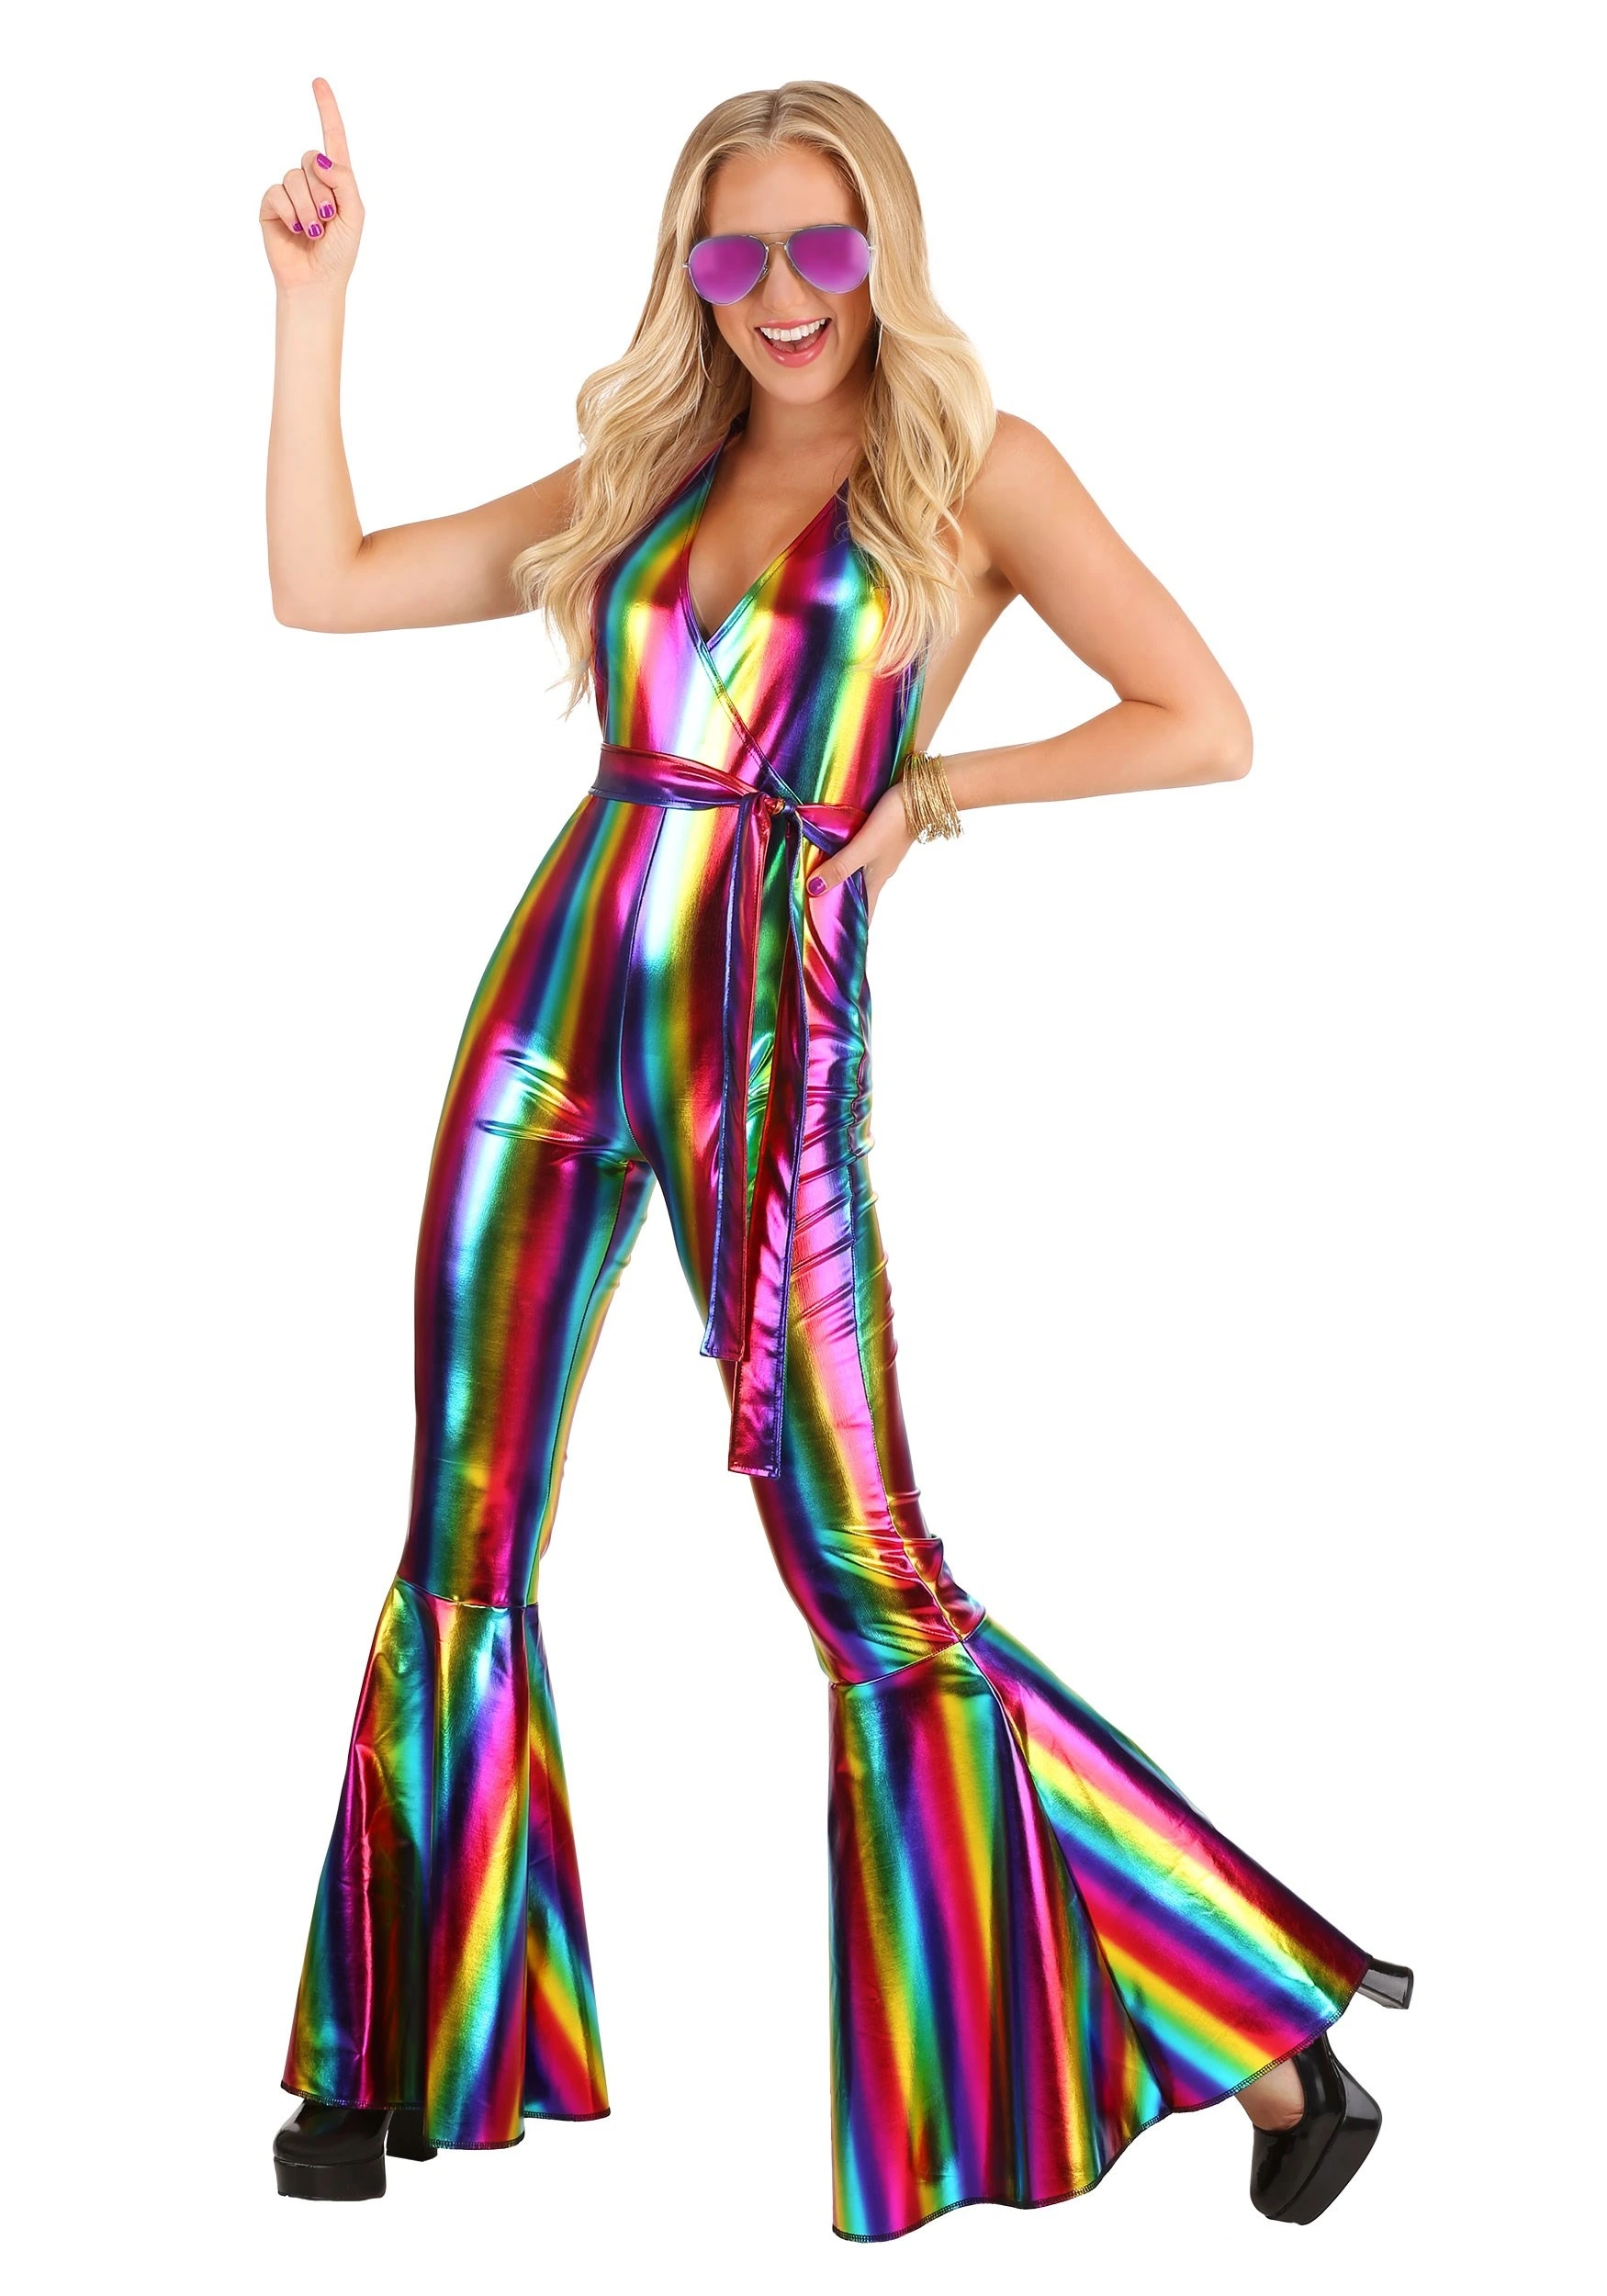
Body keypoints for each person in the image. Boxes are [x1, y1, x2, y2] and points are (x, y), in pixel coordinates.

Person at [261, 75, 1413, 2238]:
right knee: (458, 1518)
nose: (779, 294)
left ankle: (1260, 2025)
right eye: (733, 253)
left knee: (862, 1567)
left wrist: (929, 793)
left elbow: (1201, 720)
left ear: (881, 246)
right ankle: (384, 2046)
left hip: (765, 1044)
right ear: (687, 272)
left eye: (818, 245)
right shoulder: (646, 463)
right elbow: (323, 586)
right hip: (547, 1011)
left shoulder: (974, 469)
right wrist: (315, 299)